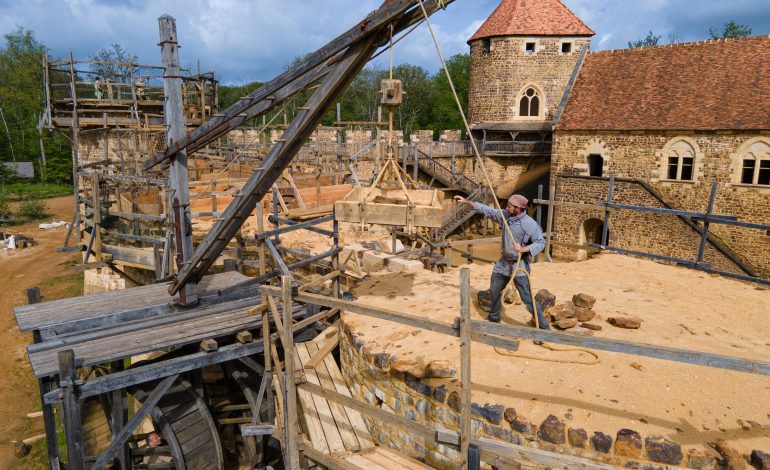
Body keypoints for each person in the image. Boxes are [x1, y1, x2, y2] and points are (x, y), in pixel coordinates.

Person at [453, 193, 551, 329]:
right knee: (494, 290)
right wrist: (467, 202)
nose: (506, 207)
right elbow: (489, 211)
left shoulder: (529, 224)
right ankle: (494, 318)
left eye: (510, 206)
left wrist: (524, 249)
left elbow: (540, 243)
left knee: (527, 298)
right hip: (503, 263)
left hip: (519, 265)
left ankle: (544, 328)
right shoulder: (505, 216)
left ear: (518, 208)